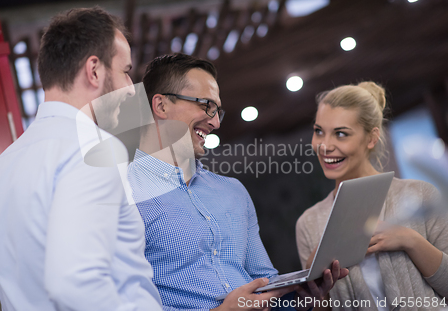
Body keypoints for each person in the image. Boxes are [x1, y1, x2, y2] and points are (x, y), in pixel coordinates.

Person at [128, 53, 348, 311]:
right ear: (161, 105)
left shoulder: (233, 191)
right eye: (205, 105)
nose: (216, 122)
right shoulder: (122, 191)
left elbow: (264, 282)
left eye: (217, 110)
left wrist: (304, 293)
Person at [0, 7, 162, 311]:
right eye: (126, 71)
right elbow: (74, 282)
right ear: (94, 71)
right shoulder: (93, 150)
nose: (132, 90)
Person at [296, 82, 448, 311]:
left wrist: (410, 239)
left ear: (371, 138)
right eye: (319, 131)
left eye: (340, 134)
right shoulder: (308, 223)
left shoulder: (420, 193)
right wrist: (316, 292)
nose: (324, 146)